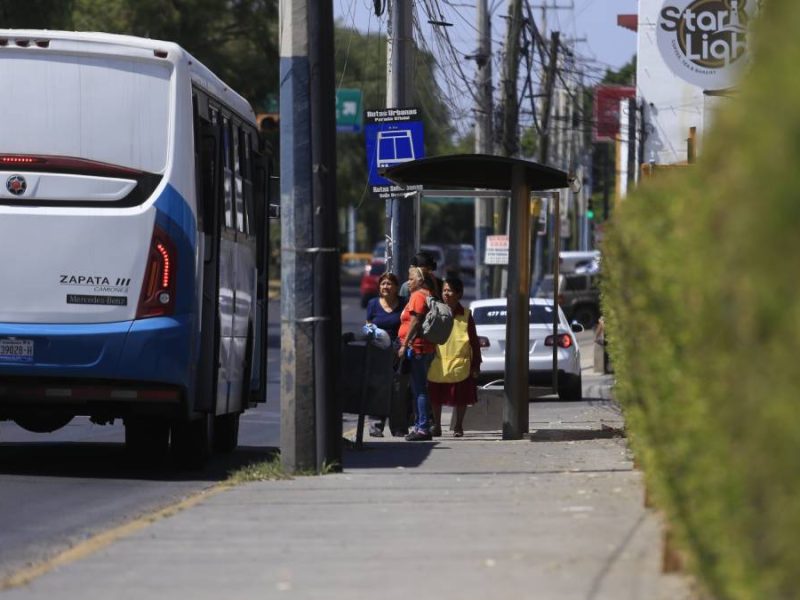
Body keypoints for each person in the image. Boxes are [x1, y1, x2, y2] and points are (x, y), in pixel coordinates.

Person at [427, 277, 481, 437]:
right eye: (444, 290)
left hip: (460, 363)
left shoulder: (466, 315)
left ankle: (458, 426)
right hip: (438, 362)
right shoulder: (435, 312)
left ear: (459, 294)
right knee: (435, 396)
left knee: (461, 397)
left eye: (449, 290)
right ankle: (437, 426)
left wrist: (476, 365)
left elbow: (474, 342)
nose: (446, 294)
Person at [397, 266, 437, 441]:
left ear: (420, 281)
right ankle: (421, 425)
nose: (408, 282)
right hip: (423, 347)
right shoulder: (427, 294)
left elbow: (415, 321)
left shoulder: (417, 296)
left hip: (417, 347)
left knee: (419, 389)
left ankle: (422, 428)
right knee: (419, 388)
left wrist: (404, 344)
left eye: (411, 279)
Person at [365, 273, 407, 437]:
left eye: (389, 284)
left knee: (398, 390)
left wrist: (402, 346)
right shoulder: (373, 304)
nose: (385, 287)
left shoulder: (404, 303)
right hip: (378, 351)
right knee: (377, 388)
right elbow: (368, 326)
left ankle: (398, 427)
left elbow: (408, 325)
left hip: (398, 351)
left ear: (396, 287)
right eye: (383, 284)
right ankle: (375, 426)